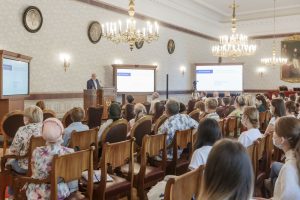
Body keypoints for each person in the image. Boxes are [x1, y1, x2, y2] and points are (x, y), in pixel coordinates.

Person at [26, 118, 78, 200]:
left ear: (43, 134)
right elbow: (71, 177)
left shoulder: (36, 151)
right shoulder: (69, 152)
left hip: (37, 192)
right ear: (61, 132)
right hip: (60, 191)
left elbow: (34, 172)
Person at [6, 106, 43, 197]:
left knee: (8, 163)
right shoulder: (45, 127)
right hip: (42, 165)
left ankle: (12, 195)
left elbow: (14, 150)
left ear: (28, 118)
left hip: (25, 167)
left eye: (24, 116)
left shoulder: (23, 130)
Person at [270, 117, 300, 199]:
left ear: (282, 140)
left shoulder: (288, 169)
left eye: (275, 131)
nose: (273, 133)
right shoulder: (294, 157)